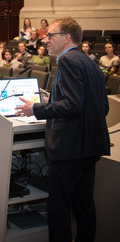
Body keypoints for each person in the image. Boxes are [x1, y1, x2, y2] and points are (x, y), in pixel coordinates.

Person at [16, 17, 110, 242]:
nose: (46, 39)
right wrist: (53, 100)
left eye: (51, 35)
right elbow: (101, 106)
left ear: (66, 37)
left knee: (59, 210)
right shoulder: (89, 62)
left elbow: (73, 104)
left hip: (70, 150)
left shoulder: (67, 60)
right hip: (89, 146)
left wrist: (36, 108)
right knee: (84, 206)